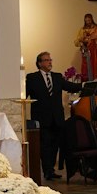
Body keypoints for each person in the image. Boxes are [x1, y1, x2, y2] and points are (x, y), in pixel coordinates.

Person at [26, 51, 82, 179]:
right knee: (44, 145)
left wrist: (84, 85)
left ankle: (51, 169)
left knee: (54, 145)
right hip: (42, 118)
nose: (50, 62)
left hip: (57, 118)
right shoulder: (32, 78)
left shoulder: (57, 77)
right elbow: (24, 94)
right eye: (46, 60)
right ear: (39, 63)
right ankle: (47, 171)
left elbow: (70, 86)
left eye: (50, 59)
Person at [73, 14, 97, 80]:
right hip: (86, 52)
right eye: (86, 21)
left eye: (89, 20)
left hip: (94, 53)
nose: (88, 22)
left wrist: (96, 38)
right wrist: (81, 40)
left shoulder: (96, 29)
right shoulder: (82, 30)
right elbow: (76, 42)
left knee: (95, 67)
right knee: (85, 69)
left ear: (92, 20)